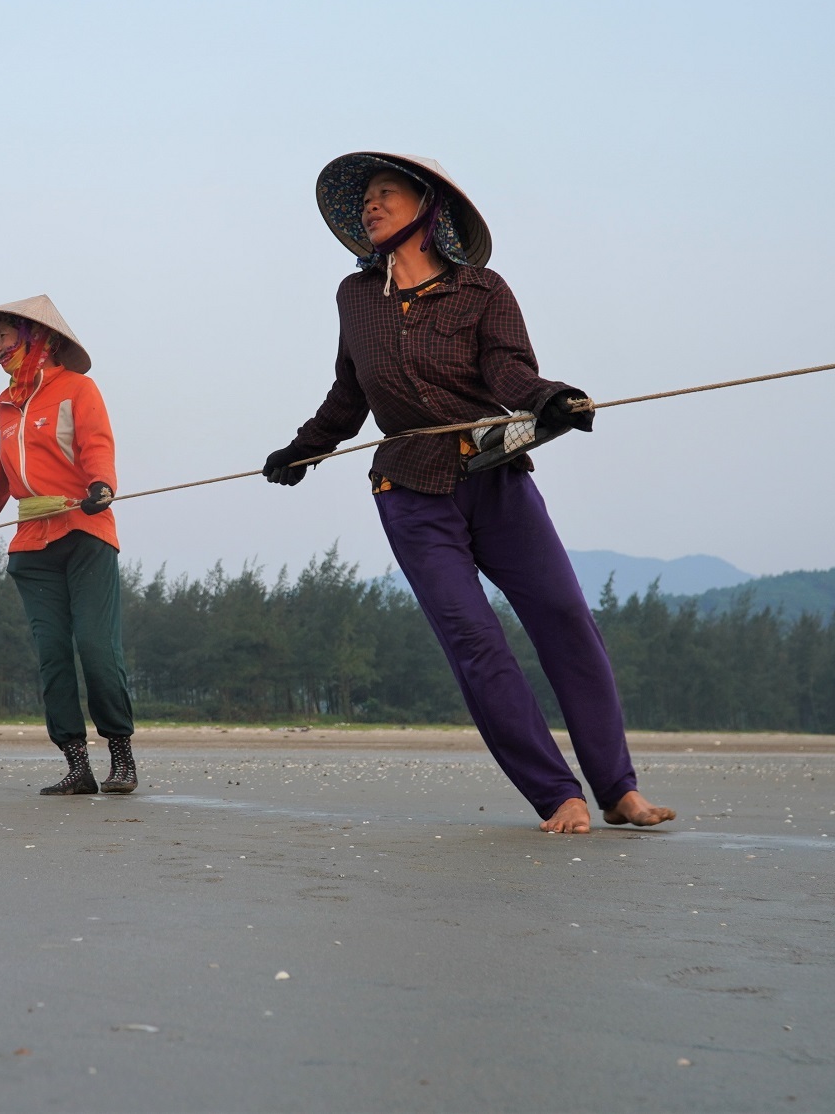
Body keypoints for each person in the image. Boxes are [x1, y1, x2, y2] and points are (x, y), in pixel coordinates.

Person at [262, 152, 674, 835]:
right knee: (474, 640)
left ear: (428, 211)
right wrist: (304, 450)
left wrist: (553, 402)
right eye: (364, 198)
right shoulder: (355, 297)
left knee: (567, 619)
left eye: (386, 193)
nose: (370, 204)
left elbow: (509, 372)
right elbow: (350, 392)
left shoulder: (484, 291)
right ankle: (557, 795)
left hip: (495, 482)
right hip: (410, 492)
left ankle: (617, 789)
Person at [0, 295, 138, 795]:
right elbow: (0, 482)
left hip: (86, 532)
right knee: (52, 655)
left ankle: (122, 756)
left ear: (39, 339)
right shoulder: (6, 407)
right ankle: (77, 767)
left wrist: (101, 485)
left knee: (96, 647)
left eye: (7, 335)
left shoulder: (78, 389)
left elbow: (98, 445)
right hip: (31, 548)